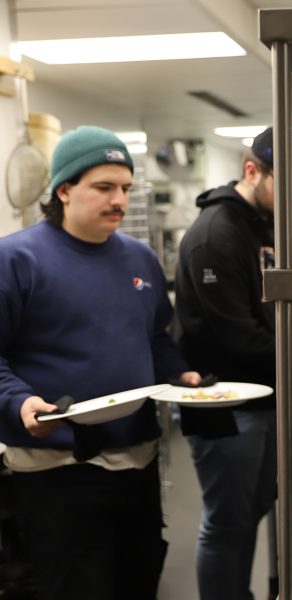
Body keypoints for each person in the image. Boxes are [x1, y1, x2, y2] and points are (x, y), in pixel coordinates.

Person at [0, 125, 201, 600]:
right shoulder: (16, 259)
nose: (119, 201)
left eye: (125, 189)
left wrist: (181, 375)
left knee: (139, 577)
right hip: (58, 468)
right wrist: (19, 401)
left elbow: (155, 338)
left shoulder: (138, 258)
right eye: (104, 187)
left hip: (136, 458)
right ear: (64, 190)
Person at [174, 127, 292, 600]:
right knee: (226, 524)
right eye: (288, 189)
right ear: (252, 171)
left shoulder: (277, 229)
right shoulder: (213, 237)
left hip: (267, 398)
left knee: (257, 507)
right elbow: (236, 337)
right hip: (225, 405)